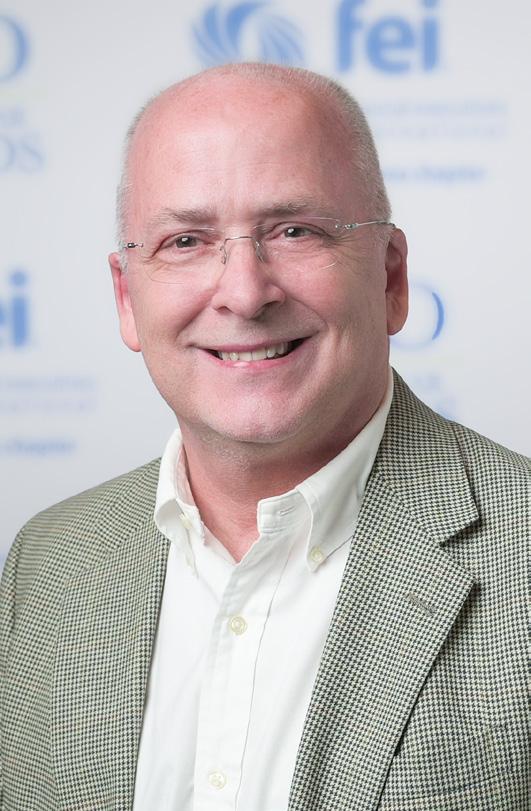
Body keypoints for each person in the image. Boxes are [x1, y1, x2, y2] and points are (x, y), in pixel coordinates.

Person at [0, 63, 527, 811]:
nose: (244, 293)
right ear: (126, 297)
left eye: (294, 231)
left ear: (390, 278)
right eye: (185, 240)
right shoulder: (48, 561)